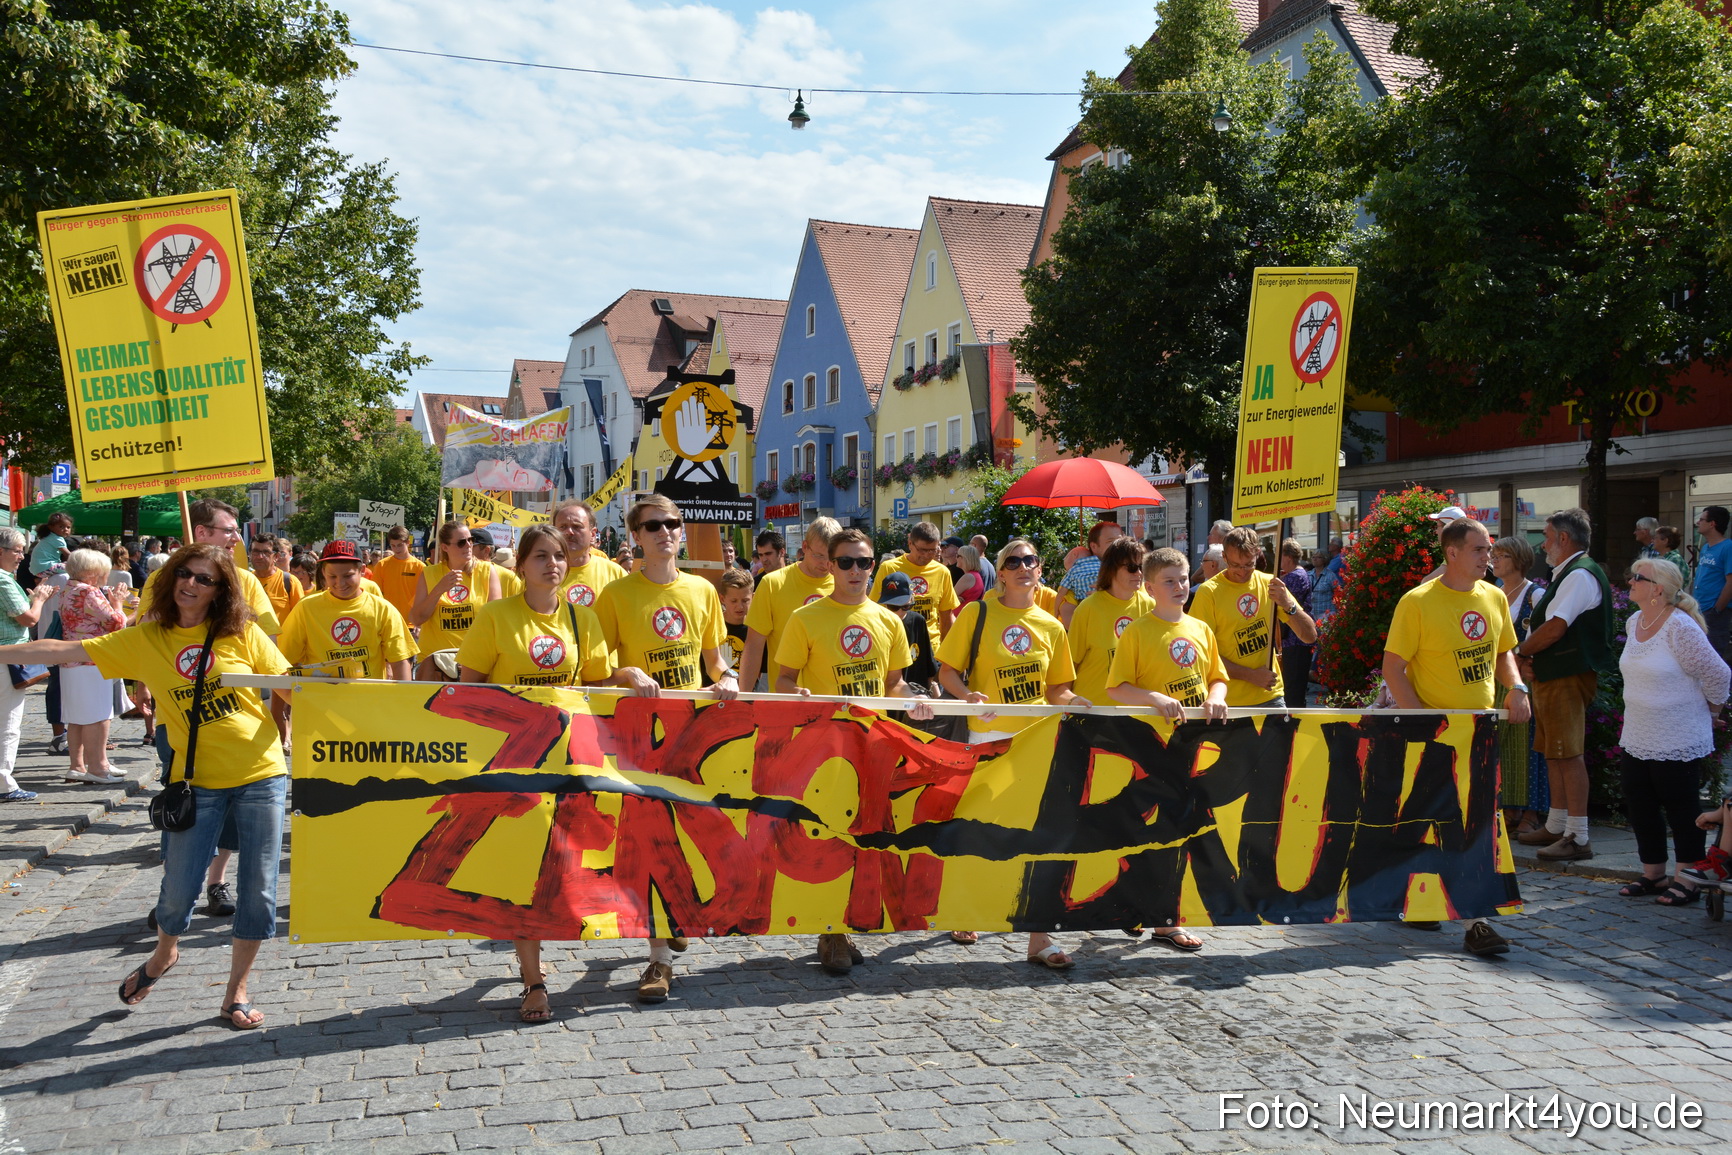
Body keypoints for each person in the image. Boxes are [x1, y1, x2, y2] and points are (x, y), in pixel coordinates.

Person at [0, 543, 293, 1028]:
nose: (191, 584)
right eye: (185, 574)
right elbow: (63, 650)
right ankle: (164, 954)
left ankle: (236, 991)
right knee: (177, 893)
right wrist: (2, 650)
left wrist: (343, 703)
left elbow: (287, 684)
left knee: (259, 892)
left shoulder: (239, 633)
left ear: (220, 591)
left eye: (204, 579)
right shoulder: (147, 639)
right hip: (195, 782)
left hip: (262, 774)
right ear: (171, 578)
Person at [455, 524, 621, 1023]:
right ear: (521, 566)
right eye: (541, 556)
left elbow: (598, 683)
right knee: (525, 873)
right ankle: (533, 981)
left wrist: (629, 675)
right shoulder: (496, 616)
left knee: (568, 866)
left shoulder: (582, 618)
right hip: (516, 764)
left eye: (559, 556)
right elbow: (471, 690)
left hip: (571, 762)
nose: (553, 563)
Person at [592, 495, 739, 1003]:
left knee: (694, 832)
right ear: (635, 536)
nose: (665, 532)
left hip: (690, 735)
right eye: (653, 525)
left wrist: (730, 679)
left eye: (672, 524)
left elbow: (715, 661)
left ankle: (672, 913)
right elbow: (596, 669)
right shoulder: (615, 595)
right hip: (638, 737)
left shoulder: (702, 589)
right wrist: (624, 673)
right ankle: (658, 960)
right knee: (650, 839)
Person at [773, 528, 933, 974]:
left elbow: (894, 683)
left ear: (874, 565)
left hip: (874, 744)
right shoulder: (807, 618)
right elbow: (782, 678)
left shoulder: (888, 622)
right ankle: (832, 931)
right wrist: (798, 692)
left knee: (867, 835)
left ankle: (843, 920)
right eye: (846, 562)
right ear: (831, 565)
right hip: (825, 746)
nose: (856, 571)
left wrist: (912, 699)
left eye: (864, 562)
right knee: (830, 834)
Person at [1381, 517, 1530, 957]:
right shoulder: (1419, 601)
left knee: (1474, 822)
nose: (1490, 557)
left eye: (1490, 550)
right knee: (1435, 819)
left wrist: (1517, 688)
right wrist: (1423, 720)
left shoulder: (1494, 597)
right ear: (1452, 553)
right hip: (1434, 733)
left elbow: (1504, 652)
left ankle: (1474, 917)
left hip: (1480, 730)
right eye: (1480, 550)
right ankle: (1426, 901)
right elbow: (1394, 668)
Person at [937, 537, 1086, 970]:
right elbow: (947, 671)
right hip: (989, 738)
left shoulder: (1051, 625)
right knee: (981, 828)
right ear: (999, 572)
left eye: (1031, 560)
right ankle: (967, 913)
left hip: (1037, 741)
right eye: (1014, 561)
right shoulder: (977, 613)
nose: (1024, 566)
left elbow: (1057, 689)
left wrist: (1075, 701)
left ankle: (1039, 938)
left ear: (1041, 571)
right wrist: (967, 694)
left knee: (1041, 835)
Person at [1106, 547, 1229, 951]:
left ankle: (1165, 919)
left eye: (1183, 579)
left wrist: (1217, 695)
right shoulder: (1138, 631)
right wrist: (1154, 698)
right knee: (1144, 831)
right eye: (1170, 581)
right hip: (1147, 746)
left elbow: (1217, 677)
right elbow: (1116, 687)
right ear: (1151, 585)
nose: (1180, 587)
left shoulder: (1200, 628)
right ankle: (1136, 906)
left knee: (1178, 831)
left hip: (1190, 747)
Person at [1611, 557, 1729, 906]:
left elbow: (1719, 674)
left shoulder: (1680, 627)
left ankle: (1688, 878)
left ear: (1657, 588)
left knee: (1681, 808)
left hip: (1678, 733)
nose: (1629, 582)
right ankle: (1653, 874)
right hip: (1638, 732)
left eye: (1637, 577)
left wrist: (1713, 710)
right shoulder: (1635, 621)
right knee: (1640, 803)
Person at [1514, 509, 1613, 862]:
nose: (1542, 544)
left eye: (1546, 536)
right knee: (1554, 751)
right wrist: (1527, 658)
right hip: (1555, 674)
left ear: (1564, 539)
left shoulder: (1579, 574)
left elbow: (1555, 628)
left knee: (1567, 753)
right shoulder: (1571, 573)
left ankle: (1578, 835)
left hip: (1565, 676)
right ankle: (1557, 824)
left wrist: (1519, 652)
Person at [1187, 527, 1315, 709]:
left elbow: (1309, 636)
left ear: (1257, 554)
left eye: (1249, 564)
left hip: (1271, 697)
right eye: (1235, 565)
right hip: (1227, 702)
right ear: (1224, 557)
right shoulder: (1209, 592)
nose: (1242, 571)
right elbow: (1202, 653)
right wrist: (1250, 675)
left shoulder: (1269, 583)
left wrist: (1288, 604)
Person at [276, 540, 414, 683]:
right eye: (332, 576)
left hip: (369, 701)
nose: (340, 583)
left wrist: (401, 703)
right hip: (320, 702)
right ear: (323, 573)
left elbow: (400, 662)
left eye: (348, 576)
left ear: (362, 571)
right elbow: (285, 662)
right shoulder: (306, 608)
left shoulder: (383, 609)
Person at [1490, 535, 1548, 836]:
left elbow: (1544, 635)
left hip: (1524, 678)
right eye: (1493, 555)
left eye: (1502, 555)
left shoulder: (1535, 595)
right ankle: (1509, 806)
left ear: (1519, 560)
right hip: (1496, 679)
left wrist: (1526, 661)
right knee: (1504, 744)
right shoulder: (1490, 593)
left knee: (1528, 743)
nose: (1494, 560)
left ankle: (1532, 810)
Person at [740, 518, 838, 693]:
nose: (825, 563)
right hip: (785, 698)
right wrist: (743, 697)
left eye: (831, 556)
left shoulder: (842, 583)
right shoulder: (773, 584)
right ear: (805, 547)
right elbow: (754, 645)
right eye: (819, 555)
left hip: (832, 700)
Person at [57, 548, 128, 784]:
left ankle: (77, 766)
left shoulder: (69, 588)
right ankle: (97, 767)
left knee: (77, 717)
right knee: (97, 716)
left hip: (71, 659)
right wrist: (118, 603)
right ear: (92, 572)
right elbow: (115, 623)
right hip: (92, 658)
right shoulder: (88, 591)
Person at [0, 528, 56, 802]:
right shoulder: (3, 581)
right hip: (7, 658)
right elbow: (29, 620)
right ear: (1, 551)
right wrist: (40, 599)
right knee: (8, 724)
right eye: (18, 550)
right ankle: (4, 784)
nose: (22, 556)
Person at [410, 522, 504, 680]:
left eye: (471, 540)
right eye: (461, 542)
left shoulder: (487, 570)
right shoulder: (430, 573)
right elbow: (416, 619)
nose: (468, 545)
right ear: (445, 547)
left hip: (475, 663)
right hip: (435, 664)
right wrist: (439, 589)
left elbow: (496, 620)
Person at [1067, 537, 1153, 704]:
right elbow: (1071, 665)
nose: (1139, 573)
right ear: (1112, 569)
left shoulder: (1151, 607)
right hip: (1094, 710)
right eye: (1132, 568)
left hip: (1137, 713)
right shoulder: (1088, 608)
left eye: (1142, 567)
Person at [869, 521, 960, 640]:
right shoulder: (889, 568)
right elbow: (875, 608)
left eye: (932, 550)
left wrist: (944, 653)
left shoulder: (942, 572)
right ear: (910, 543)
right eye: (922, 550)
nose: (927, 555)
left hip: (931, 648)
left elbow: (947, 616)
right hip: (897, 643)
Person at [551, 499, 626, 608]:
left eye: (577, 526)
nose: (569, 532)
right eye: (563, 527)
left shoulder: (615, 573)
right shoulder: (543, 573)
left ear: (593, 534)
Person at [1058, 520, 1124, 628]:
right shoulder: (1076, 577)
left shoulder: (1132, 572)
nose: (1118, 546)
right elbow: (1070, 624)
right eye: (1111, 541)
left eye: (1120, 541)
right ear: (1094, 546)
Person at [879, 572, 936, 692]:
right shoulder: (877, 623)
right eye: (893, 607)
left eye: (905, 606)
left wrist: (934, 695)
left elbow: (928, 665)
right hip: (888, 695)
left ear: (912, 598)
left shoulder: (918, 621)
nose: (899, 612)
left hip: (916, 693)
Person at [1276, 539, 1314, 709]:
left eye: (1280, 556)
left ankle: (1293, 724)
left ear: (1288, 558)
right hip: (1294, 639)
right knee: (1293, 686)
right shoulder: (1300, 574)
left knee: (1293, 688)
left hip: (1296, 638)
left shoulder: (1294, 577)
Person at [1693, 505, 1731, 664]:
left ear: (1712, 524)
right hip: (1699, 608)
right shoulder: (1706, 548)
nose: (1697, 523)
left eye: (1702, 519)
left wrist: (1718, 608)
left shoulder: (1728, 547)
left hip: (1714, 612)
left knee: (1713, 660)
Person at [373, 526, 426, 625]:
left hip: (411, 623)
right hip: (388, 621)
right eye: (393, 545)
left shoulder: (420, 567)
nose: (396, 549)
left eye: (400, 545)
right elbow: (376, 594)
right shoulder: (382, 565)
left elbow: (423, 596)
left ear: (407, 542)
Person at [248, 534, 301, 630]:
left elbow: (301, 620)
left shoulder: (289, 582)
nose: (260, 557)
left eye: (266, 552)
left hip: (279, 644)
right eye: (255, 552)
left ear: (276, 556)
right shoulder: (244, 581)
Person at [716, 568, 752, 674]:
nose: (739, 607)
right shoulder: (713, 626)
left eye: (745, 600)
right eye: (733, 601)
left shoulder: (756, 630)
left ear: (753, 597)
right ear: (722, 599)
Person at [1310, 537, 1344, 621]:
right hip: (1312, 613)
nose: (1315, 559)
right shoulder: (1308, 575)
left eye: (1318, 557)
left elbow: (1338, 592)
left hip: (1326, 614)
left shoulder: (1330, 575)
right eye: (1313, 557)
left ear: (1324, 560)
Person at [1184, 546, 1225, 612]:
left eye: (1204, 561)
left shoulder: (1206, 589)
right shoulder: (1233, 585)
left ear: (1213, 564)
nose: (1201, 565)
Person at [29, 512, 72, 577]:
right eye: (61, 527)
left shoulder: (49, 537)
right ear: (51, 527)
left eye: (68, 527)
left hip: (38, 570)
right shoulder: (57, 538)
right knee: (74, 568)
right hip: (46, 567)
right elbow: (68, 555)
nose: (66, 529)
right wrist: (80, 561)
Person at [1655, 525, 1689, 590]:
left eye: (1655, 538)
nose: (1652, 540)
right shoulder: (1660, 558)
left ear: (1665, 541)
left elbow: (1672, 588)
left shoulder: (1675, 559)